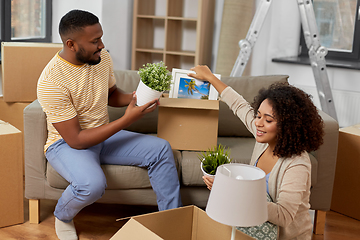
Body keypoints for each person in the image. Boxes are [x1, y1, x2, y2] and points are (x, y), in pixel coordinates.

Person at [37, 9, 182, 240]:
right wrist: (127, 119)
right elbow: (75, 139)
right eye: (95, 41)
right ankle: (62, 215)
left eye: (101, 38)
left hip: (102, 136)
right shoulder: (51, 81)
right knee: (92, 185)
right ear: (71, 44)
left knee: (161, 149)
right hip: (66, 144)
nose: (102, 45)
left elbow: (111, 94)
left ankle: (172, 223)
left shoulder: (100, 58)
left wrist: (139, 98)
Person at [188, 65, 324, 239]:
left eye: (268, 120)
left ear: (288, 126)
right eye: (258, 115)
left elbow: (284, 215)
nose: (258, 123)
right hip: (255, 226)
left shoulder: (297, 163)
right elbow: (239, 105)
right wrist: (210, 77)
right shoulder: (264, 139)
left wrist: (236, 193)